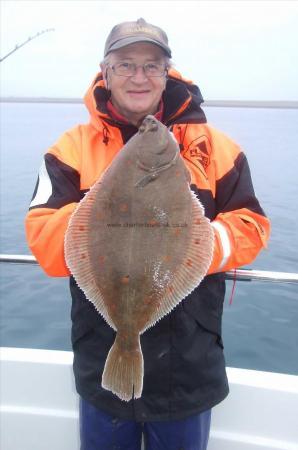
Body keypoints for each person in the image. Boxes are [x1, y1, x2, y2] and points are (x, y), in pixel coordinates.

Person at [25, 18, 270, 450]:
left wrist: (196, 247)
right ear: (106, 73)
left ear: (167, 73)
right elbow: (44, 242)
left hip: (190, 365)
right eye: (125, 65)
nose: (139, 76)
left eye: (151, 65)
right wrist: (102, 226)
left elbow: (253, 225)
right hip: (102, 353)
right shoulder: (69, 149)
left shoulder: (217, 148)